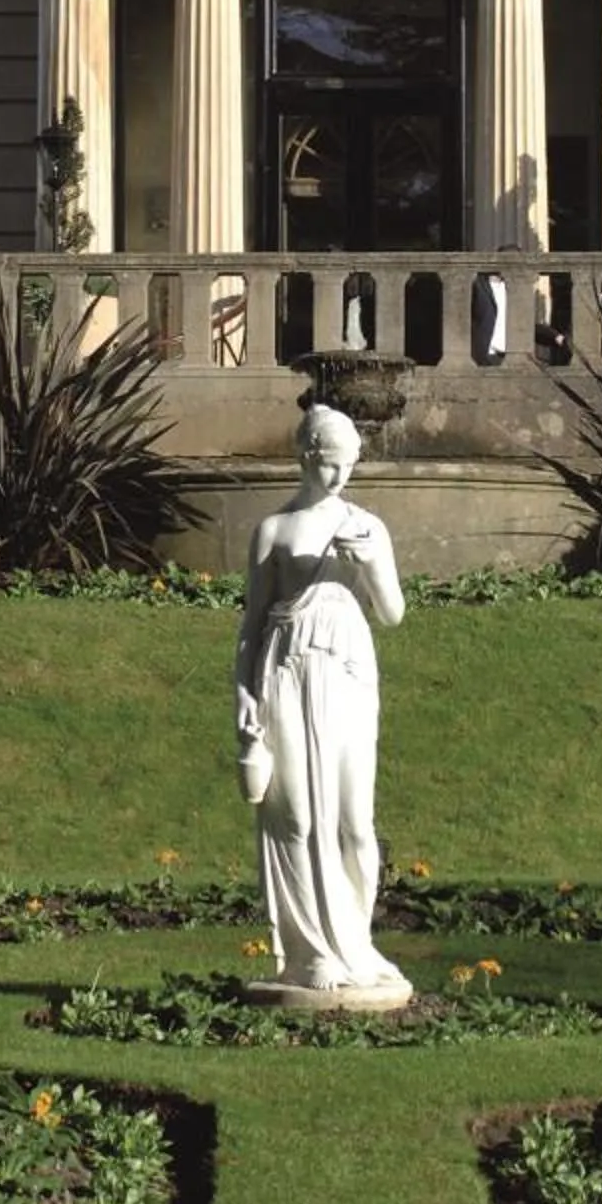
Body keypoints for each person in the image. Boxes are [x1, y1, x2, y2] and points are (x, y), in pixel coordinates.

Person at [234, 404, 410, 996]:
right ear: (306, 457)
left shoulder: (369, 526)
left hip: (348, 673)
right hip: (285, 673)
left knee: (355, 823)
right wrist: (243, 698)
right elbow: (251, 625)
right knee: (298, 816)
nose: (340, 478)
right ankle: (311, 955)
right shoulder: (274, 532)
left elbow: (392, 613)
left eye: (349, 466)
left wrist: (373, 568)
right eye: (330, 465)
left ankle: (356, 945)